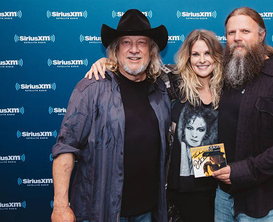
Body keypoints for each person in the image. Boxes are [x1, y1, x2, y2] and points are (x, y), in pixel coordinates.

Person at [86, 29, 223, 222]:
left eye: (208, 53)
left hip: (216, 186)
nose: (202, 60)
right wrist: (108, 62)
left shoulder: (227, 89)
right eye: (195, 54)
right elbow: (139, 66)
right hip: (179, 186)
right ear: (188, 57)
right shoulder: (176, 82)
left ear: (217, 56)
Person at [51, 9, 171, 222]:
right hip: (102, 211)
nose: (134, 50)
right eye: (126, 42)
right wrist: (60, 206)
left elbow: (197, 71)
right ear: (115, 50)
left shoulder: (161, 90)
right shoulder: (91, 88)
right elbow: (66, 147)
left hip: (148, 212)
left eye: (141, 43)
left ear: (151, 51)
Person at [212, 7, 273, 221]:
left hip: (266, 204)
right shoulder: (228, 79)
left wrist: (244, 171)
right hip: (224, 199)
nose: (237, 38)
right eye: (231, 33)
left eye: (245, 31)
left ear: (261, 34)